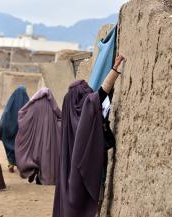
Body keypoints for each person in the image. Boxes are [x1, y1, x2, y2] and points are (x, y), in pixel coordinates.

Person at [53, 55, 124, 217]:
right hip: (88, 171)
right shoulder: (86, 108)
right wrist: (115, 68)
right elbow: (100, 94)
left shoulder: (69, 108)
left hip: (68, 172)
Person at [15, 87, 61, 185]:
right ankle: (45, 177)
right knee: (46, 155)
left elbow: (22, 114)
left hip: (36, 136)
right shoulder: (52, 105)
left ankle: (34, 171)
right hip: (49, 136)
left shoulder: (34, 105)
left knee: (36, 154)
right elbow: (59, 116)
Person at [0, 86, 29, 173]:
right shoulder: (27, 104)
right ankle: (21, 165)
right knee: (21, 147)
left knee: (10, 145)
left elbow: (5, 116)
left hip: (10, 129)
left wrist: (3, 129)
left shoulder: (11, 102)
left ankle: (11, 164)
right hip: (22, 131)